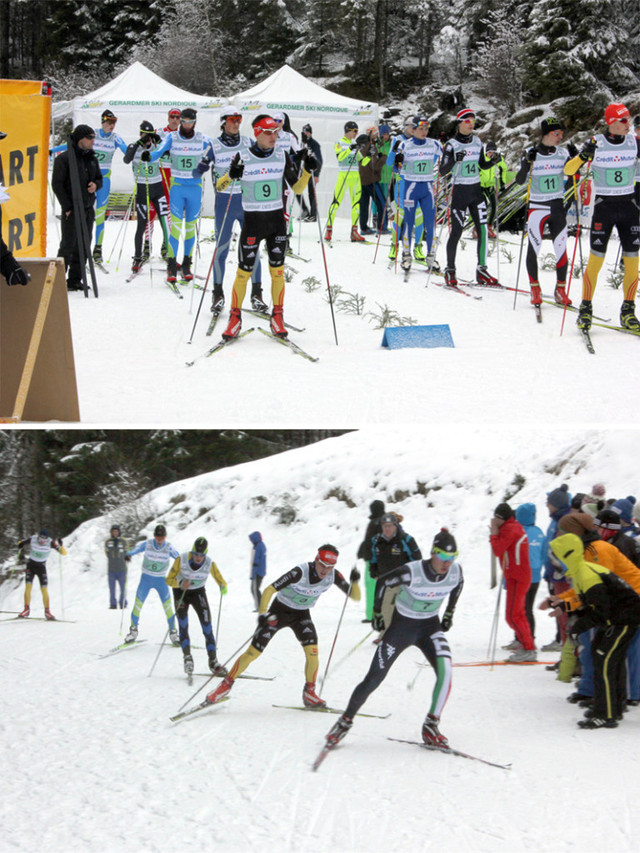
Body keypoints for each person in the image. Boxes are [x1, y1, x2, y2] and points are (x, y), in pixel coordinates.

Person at [323, 529, 463, 750]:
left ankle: (431, 726)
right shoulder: (413, 571)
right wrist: (377, 613)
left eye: (452, 557)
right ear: (432, 553)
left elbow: (458, 585)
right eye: (442, 556)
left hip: (429, 627)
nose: (447, 563)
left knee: (446, 672)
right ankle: (344, 722)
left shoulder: (455, 572)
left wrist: (449, 613)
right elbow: (383, 582)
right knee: (374, 679)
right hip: (402, 628)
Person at [205, 544, 361, 708]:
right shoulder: (300, 572)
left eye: (330, 567)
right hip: (279, 612)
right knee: (253, 652)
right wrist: (262, 614)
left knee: (313, 653)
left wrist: (355, 582)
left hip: (301, 615)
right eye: (322, 564)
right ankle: (224, 686)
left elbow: (355, 596)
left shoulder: (333, 575)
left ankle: (310, 693)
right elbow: (269, 589)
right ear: (316, 560)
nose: (325, 570)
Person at [215, 114, 314, 340]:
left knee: (277, 272)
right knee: (243, 273)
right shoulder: (243, 156)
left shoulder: (282, 155)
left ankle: (277, 316)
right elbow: (220, 186)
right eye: (268, 133)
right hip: (252, 224)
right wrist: (231, 175)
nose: (273, 136)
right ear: (257, 133)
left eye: (275, 132)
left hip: (276, 224)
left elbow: (297, 189)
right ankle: (234, 317)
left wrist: (307, 171)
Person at [548, 532, 640, 728]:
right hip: (619, 618)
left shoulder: (586, 573)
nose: (556, 563)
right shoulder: (582, 570)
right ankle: (613, 707)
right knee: (607, 657)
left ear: (567, 556)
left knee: (604, 658)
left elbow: (601, 609)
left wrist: (577, 627)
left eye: (557, 558)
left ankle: (605, 713)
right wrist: (565, 606)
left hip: (625, 618)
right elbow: (587, 600)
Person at [564, 103, 640, 332]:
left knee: (633, 265)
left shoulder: (634, 142)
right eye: (624, 120)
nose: (629, 124)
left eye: (629, 119)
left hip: (629, 208)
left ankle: (628, 311)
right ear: (611, 123)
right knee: (595, 261)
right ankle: (585, 308)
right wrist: (583, 156)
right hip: (604, 208)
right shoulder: (596, 143)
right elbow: (569, 170)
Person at [194, 108, 262, 314]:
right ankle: (217, 294)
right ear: (223, 122)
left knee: (252, 249)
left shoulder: (249, 143)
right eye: (233, 120)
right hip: (224, 203)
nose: (236, 124)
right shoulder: (213, 145)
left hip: (247, 202)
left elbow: (262, 161)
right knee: (222, 249)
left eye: (239, 120)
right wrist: (202, 167)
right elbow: (198, 170)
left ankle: (257, 294)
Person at [146, 108, 215, 283]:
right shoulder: (172, 137)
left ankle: (186, 264)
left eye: (190, 122)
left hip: (195, 188)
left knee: (191, 228)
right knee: (175, 228)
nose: (186, 125)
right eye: (184, 121)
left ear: (195, 122)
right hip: (177, 188)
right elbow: (158, 152)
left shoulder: (202, 138)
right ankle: (171, 264)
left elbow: (218, 148)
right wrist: (149, 155)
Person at [438, 107, 501, 287]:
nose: (471, 124)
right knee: (456, 232)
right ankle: (450, 270)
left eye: (473, 121)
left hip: (476, 191)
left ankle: (482, 270)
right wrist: (454, 160)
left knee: (482, 230)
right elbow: (443, 171)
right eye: (467, 121)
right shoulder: (451, 144)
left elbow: (481, 164)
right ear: (459, 123)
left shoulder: (477, 141)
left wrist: (492, 162)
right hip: (460, 193)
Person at [515, 117, 573, 308]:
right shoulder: (531, 153)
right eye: (556, 134)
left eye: (561, 134)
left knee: (561, 248)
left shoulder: (563, 153)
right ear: (547, 135)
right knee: (534, 248)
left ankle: (560, 289)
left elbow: (573, 176)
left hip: (557, 207)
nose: (560, 137)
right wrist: (526, 162)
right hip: (537, 208)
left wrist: (576, 159)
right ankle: (535, 288)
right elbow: (520, 180)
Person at [166, 536, 228, 676]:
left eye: (201, 555)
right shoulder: (181, 559)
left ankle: (213, 661)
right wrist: (180, 584)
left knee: (207, 626)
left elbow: (219, 578)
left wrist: (223, 585)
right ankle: (187, 658)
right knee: (183, 624)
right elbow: (168, 580)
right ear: (192, 551)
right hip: (181, 592)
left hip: (198, 593)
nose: (198, 558)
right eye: (196, 554)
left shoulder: (209, 563)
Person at [51, 124, 103, 291]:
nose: (92, 141)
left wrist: (95, 185)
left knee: (84, 245)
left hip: (87, 207)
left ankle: (75, 279)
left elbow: (99, 179)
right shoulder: (64, 159)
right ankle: (58, 279)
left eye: (93, 137)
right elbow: (57, 185)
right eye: (89, 138)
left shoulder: (92, 158)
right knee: (67, 244)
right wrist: (66, 206)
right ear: (80, 139)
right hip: (72, 208)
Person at [393, 115, 442, 272]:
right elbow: (395, 168)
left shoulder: (434, 144)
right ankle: (406, 255)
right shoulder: (405, 145)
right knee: (408, 222)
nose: (424, 131)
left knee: (430, 224)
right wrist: (396, 161)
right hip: (410, 188)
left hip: (427, 189)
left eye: (426, 128)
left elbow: (447, 157)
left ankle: (431, 256)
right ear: (413, 129)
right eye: (420, 128)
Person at [489, 503, 536, 662]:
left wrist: (494, 534)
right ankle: (526, 645)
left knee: (513, 615)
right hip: (514, 575)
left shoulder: (510, 529)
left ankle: (529, 649)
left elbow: (497, 550)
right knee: (515, 615)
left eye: (496, 518)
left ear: (502, 518)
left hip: (518, 577)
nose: (494, 520)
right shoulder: (510, 527)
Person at [123, 121, 170, 273]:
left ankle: (171, 255)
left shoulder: (157, 146)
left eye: (149, 137)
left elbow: (169, 151)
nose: (147, 140)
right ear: (140, 133)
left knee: (165, 223)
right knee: (141, 225)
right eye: (144, 135)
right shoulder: (134, 146)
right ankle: (137, 257)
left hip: (158, 189)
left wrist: (159, 140)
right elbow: (126, 159)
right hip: (143, 190)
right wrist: (138, 143)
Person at [124, 524, 180, 644]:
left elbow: (179, 558)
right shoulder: (148, 544)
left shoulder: (169, 547)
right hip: (146, 579)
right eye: (158, 537)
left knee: (168, 608)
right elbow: (136, 549)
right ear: (154, 536)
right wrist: (128, 554)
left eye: (162, 537)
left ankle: (174, 634)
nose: (159, 540)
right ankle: (133, 632)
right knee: (137, 605)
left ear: (165, 537)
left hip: (161, 580)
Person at [370, 512, 422, 637]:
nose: (387, 529)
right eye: (385, 526)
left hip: (403, 580)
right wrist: (374, 572)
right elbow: (373, 558)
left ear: (396, 526)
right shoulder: (377, 540)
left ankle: (392, 635)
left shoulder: (405, 539)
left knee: (398, 607)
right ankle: (387, 634)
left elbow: (417, 559)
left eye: (390, 526)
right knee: (384, 606)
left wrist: (412, 576)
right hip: (385, 580)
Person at [91, 110, 128, 264]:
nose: (112, 125)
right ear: (102, 121)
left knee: (100, 216)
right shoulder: (92, 134)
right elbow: (71, 145)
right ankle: (80, 248)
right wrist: (51, 151)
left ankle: (98, 249)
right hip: (88, 179)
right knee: (85, 214)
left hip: (104, 181)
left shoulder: (115, 138)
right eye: (109, 122)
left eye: (114, 122)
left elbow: (127, 152)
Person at [541, 483, 572, 651]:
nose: (547, 506)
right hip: (555, 576)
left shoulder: (565, 522)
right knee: (562, 619)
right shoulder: (556, 520)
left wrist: (561, 570)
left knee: (565, 618)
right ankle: (565, 656)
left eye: (549, 503)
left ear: (557, 505)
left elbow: (565, 552)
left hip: (563, 578)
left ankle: (570, 659)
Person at [324, 121, 365, 243]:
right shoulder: (339, 142)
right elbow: (340, 157)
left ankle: (354, 232)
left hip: (355, 176)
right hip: (344, 175)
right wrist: (349, 149)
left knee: (356, 204)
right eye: (355, 131)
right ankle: (329, 230)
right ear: (349, 130)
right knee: (336, 202)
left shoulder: (354, 143)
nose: (356, 134)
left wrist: (371, 155)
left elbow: (361, 161)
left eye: (357, 131)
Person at [16, 530, 66, 620]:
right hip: (31, 566)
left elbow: (63, 553)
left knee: (44, 590)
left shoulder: (50, 542)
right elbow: (21, 542)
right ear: (38, 536)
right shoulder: (33, 539)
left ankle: (47, 612)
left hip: (41, 568)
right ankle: (26, 610)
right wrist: (20, 544)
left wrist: (61, 545)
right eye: (41, 538)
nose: (42, 541)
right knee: (28, 588)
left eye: (44, 539)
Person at [514, 502, 546, 643]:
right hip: (536, 578)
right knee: (527, 609)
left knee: (520, 610)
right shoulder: (538, 532)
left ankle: (526, 638)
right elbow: (544, 553)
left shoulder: (518, 532)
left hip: (522, 577)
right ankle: (523, 637)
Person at [356, 499, 386, 622]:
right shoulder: (388, 522)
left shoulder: (374, 523)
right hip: (386, 561)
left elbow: (369, 542)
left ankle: (372, 615)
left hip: (373, 561)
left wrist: (364, 554)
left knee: (371, 587)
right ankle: (385, 613)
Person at [357, 126, 386, 236]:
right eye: (375, 134)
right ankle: (381, 227)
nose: (377, 135)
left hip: (362, 179)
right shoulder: (370, 147)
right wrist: (383, 158)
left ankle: (364, 228)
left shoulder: (361, 146)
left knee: (364, 205)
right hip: (371, 180)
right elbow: (374, 166)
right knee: (381, 203)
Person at [479, 140, 509, 238]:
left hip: (491, 185)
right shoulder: (482, 158)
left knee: (494, 206)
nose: (491, 154)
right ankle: (478, 229)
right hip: (481, 186)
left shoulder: (498, 159)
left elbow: (504, 169)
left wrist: (502, 183)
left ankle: (489, 227)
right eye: (489, 152)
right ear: (486, 151)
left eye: (493, 152)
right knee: (482, 207)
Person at [299, 124, 322, 222]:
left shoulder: (314, 144)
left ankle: (313, 215)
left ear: (310, 133)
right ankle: (305, 211)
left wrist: (317, 174)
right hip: (304, 171)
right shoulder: (302, 143)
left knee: (311, 193)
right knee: (298, 191)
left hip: (312, 171)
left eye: (307, 132)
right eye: (304, 132)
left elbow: (319, 160)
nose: (306, 134)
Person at [105, 523, 129, 609]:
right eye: (113, 531)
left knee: (123, 588)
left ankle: (123, 603)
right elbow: (107, 553)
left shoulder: (123, 541)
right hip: (111, 569)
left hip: (122, 569)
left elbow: (127, 552)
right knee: (112, 589)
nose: (115, 533)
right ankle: (113, 604)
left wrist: (127, 557)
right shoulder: (108, 542)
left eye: (116, 531)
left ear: (119, 532)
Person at [249, 531, 267, 610]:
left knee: (254, 590)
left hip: (257, 572)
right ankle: (262, 605)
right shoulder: (261, 545)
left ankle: (259, 607)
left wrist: (252, 575)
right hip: (261, 571)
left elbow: (255, 562)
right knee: (255, 589)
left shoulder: (257, 547)